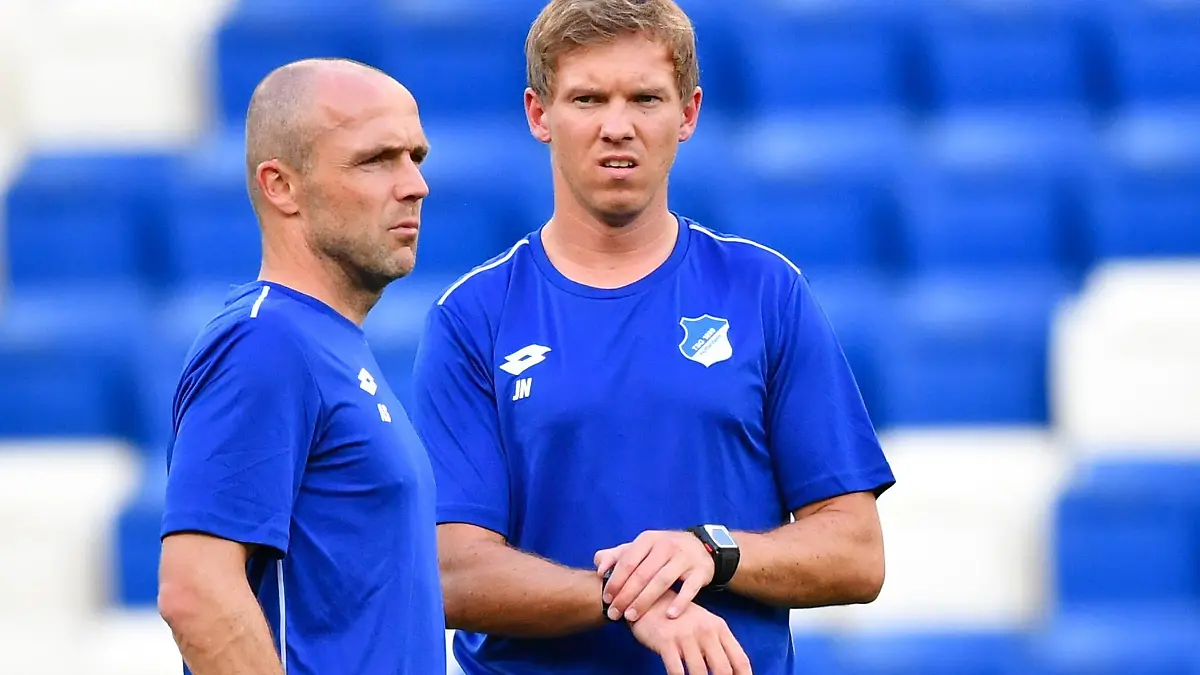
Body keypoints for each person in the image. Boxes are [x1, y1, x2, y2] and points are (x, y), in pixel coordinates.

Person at [409, 0, 896, 674]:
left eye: (645, 98)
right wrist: (631, 597)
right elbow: (452, 574)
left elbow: (855, 553)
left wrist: (710, 551)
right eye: (587, 98)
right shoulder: (473, 316)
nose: (617, 126)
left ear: (688, 113)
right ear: (539, 114)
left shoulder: (765, 291)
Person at [156, 58, 445, 675]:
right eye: (377, 159)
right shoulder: (266, 341)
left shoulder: (326, 344)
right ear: (280, 185)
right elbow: (196, 593)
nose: (415, 184)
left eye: (415, 157)